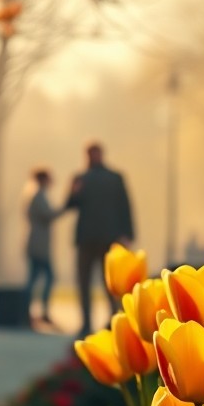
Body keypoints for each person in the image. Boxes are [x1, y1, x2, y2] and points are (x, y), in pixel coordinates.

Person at [66, 142, 134, 336]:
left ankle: (113, 319)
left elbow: (124, 206)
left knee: (110, 284)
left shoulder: (114, 178)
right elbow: (71, 204)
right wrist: (73, 192)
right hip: (89, 238)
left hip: (105, 238)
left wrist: (127, 234)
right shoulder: (81, 178)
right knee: (85, 282)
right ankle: (87, 322)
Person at [23, 168, 64, 325]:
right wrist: (67, 205)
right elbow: (48, 215)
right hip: (38, 245)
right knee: (44, 277)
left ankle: (30, 311)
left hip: (37, 244)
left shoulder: (35, 194)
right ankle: (40, 311)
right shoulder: (37, 196)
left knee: (34, 279)